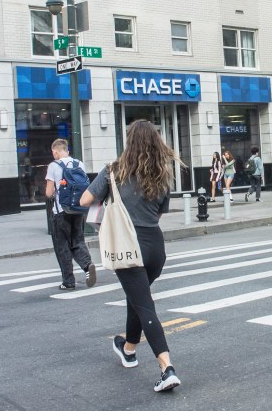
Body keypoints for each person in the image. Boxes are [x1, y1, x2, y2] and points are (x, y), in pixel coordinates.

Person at [79, 119, 183, 392]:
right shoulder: (162, 173)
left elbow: (84, 201)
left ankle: (167, 368)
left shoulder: (114, 170)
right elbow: (161, 212)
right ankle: (128, 348)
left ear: (129, 142)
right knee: (137, 298)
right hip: (155, 247)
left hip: (128, 245)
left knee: (145, 305)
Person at [45, 139, 96, 290]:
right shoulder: (78, 164)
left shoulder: (53, 166)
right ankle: (87, 265)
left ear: (55, 151)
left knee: (62, 246)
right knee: (77, 241)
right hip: (77, 210)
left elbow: (49, 193)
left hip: (61, 211)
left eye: (53, 152)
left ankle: (68, 281)